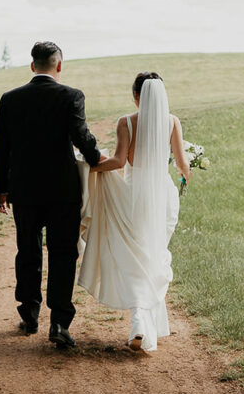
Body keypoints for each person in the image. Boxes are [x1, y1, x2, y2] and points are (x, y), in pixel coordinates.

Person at [0, 41, 104, 348]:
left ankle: (29, 314)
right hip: (62, 190)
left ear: (32, 66)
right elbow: (81, 137)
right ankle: (58, 322)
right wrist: (98, 161)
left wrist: (1, 190)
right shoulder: (71, 96)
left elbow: (2, 147)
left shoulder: (9, 99)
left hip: (24, 190)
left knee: (27, 250)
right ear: (59, 65)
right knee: (63, 253)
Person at [79, 71, 191, 351]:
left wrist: (88, 167)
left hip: (134, 195)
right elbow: (181, 164)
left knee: (136, 256)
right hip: (162, 196)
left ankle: (140, 320)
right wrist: (186, 175)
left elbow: (117, 162)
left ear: (136, 95)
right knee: (153, 255)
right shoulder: (172, 122)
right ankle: (142, 321)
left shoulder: (126, 122)